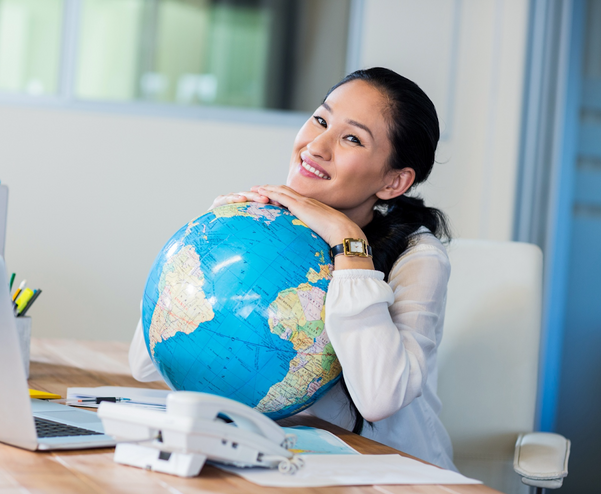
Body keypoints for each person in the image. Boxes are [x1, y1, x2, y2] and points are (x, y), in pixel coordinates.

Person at [128, 67, 456, 471]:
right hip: (278, 462)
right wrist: (207, 248)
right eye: (321, 119)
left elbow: (378, 398)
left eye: (352, 138)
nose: (316, 145)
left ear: (393, 182)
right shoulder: (265, 228)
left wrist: (347, 242)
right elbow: (145, 366)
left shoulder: (418, 257)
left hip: (387, 474)